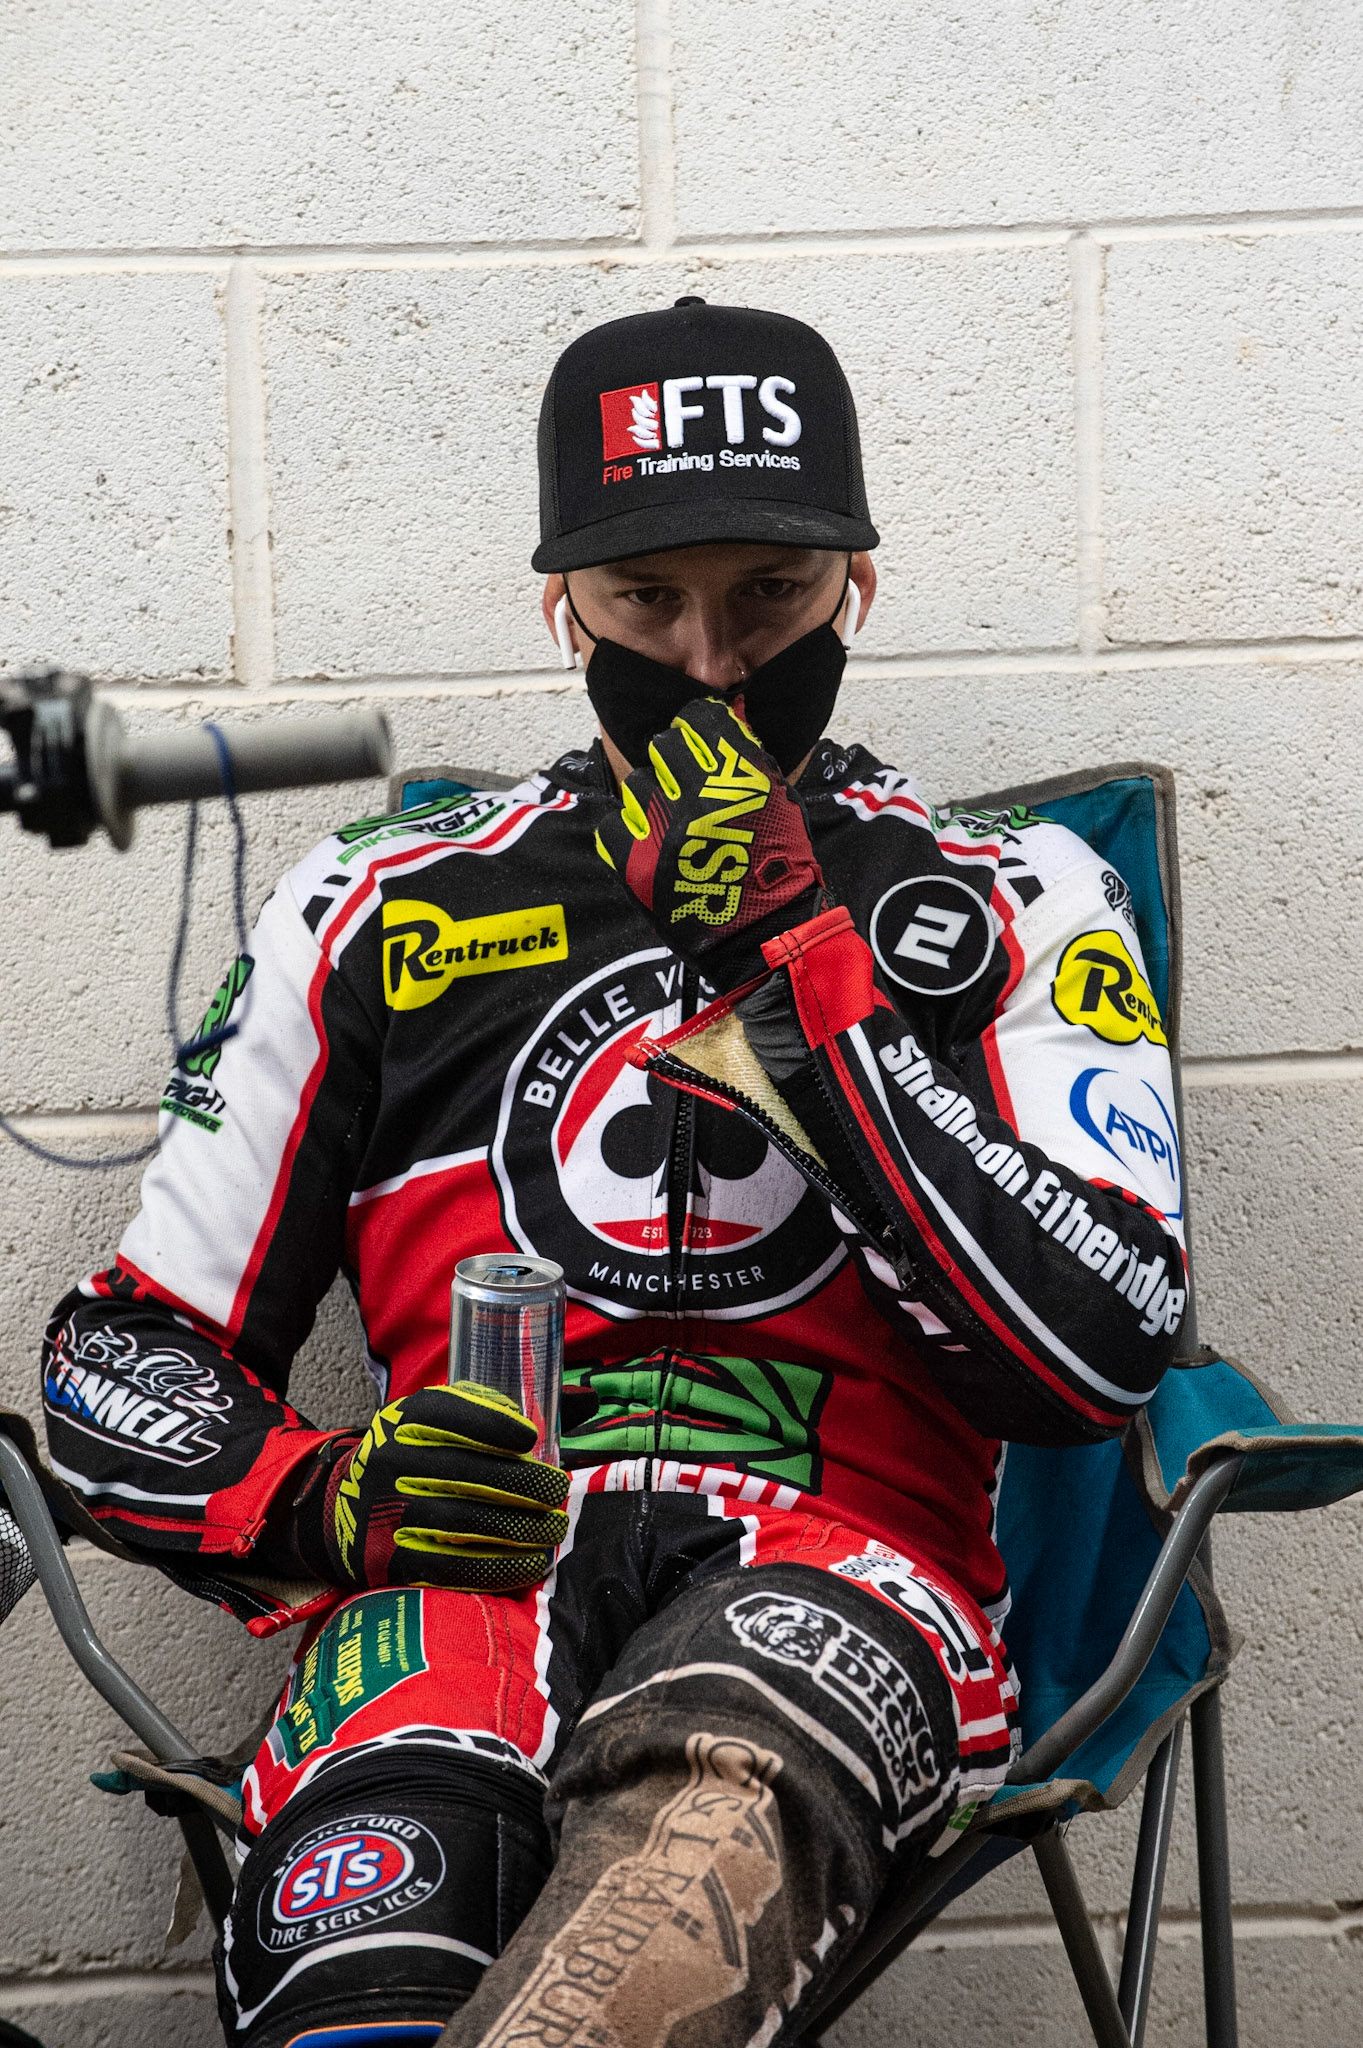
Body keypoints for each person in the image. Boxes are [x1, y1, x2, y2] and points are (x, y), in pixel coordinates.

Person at [41, 297, 1187, 2048]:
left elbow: (1096, 1349)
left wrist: (807, 966)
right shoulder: (380, 902)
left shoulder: (1017, 898)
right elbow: (120, 1363)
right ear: (560, 603)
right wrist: (324, 1500)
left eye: (770, 599)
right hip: (451, 1601)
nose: (714, 664)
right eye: (649, 601)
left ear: (859, 584)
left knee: (659, 1909)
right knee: (370, 1985)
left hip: (839, 1588)